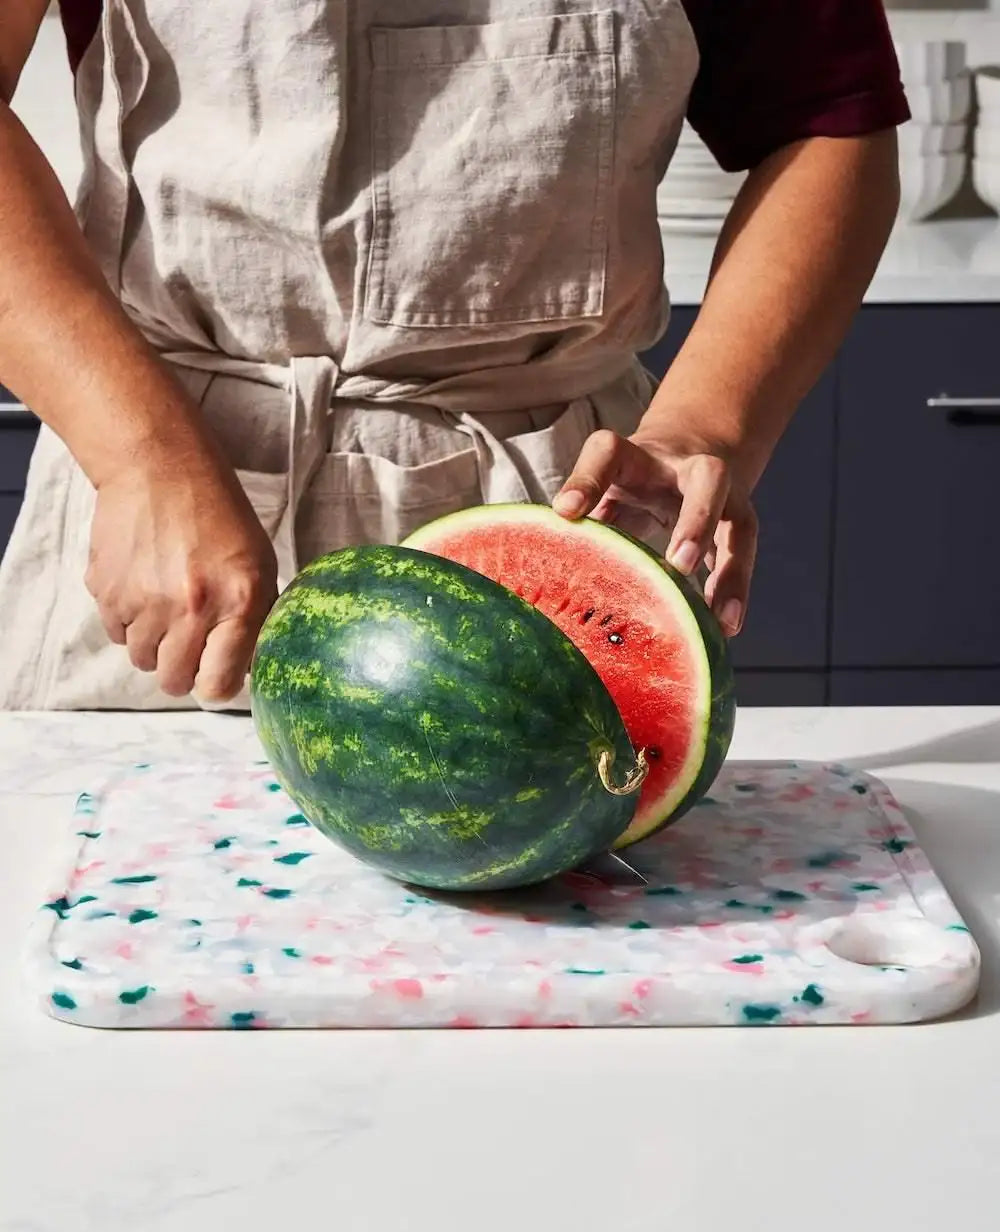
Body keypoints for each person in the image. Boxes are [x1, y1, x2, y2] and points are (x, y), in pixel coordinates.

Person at [0, 1, 907, 711]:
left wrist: (704, 423)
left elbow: (827, 120)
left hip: (566, 496)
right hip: (170, 509)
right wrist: (142, 459)